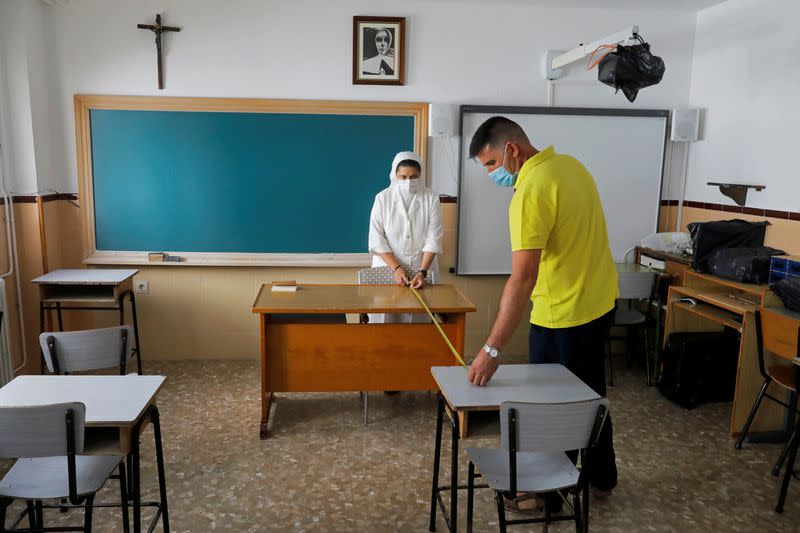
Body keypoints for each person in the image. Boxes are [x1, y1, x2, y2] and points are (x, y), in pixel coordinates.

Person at [465, 116, 619, 510]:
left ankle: (549, 495)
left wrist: (492, 350)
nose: (490, 174)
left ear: (512, 150)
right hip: (600, 303)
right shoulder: (571, 166)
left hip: (562, 313)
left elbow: (522, 278)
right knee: (590, 396)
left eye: (491, 164)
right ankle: (602, 479)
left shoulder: (530, 190)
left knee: (555, 407)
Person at [367, 151, 443, 323]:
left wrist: (422, 271)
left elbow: (434, 238)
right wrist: (396, 268)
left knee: (418, 326)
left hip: (422, 267)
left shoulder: (431, 198)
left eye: (413, 177)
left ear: (421, 175)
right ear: (395, 175)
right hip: (387, 269)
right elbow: (376, 239)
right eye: (403, 177)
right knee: (384, 324)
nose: (408, 182)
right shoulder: (382, 198)